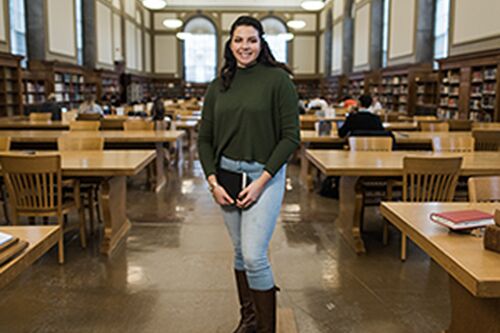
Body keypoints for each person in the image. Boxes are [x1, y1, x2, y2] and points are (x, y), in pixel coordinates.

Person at [197, 16, 300, 333]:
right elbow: (205, 139)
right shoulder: (219, 86)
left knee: (255, 255)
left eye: (252, 40)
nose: (245, 46)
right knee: (241, 252)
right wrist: (212, 182)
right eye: (239, 40)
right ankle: (250, 320)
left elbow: (290, 137)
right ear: (230, 44)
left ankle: (266, 329)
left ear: (261, 43)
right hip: (226, 177)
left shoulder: (278, 81)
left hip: (264, 177)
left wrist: (262, 182)